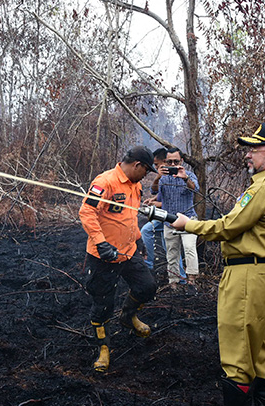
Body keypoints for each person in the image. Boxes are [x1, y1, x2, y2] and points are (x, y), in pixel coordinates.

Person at [171, 123, 265, 406]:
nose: (249, 155)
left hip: (248, 275)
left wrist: (189, 224)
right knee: (259, 341)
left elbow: (227, 226)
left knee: (237, 339)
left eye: (254, 150)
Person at [78, 146, 158, 373]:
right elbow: (86, 212)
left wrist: (139, 239)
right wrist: (101, 243)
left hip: (128, 251)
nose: (146, 175)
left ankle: (128, 316)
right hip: (102, 256)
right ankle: (103, 348)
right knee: (103, 305)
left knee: (148, 286)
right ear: (137, 165)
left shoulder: (137, 186)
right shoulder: (105, 181)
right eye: (146, 170)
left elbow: (129, 217)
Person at [140, 147, 186, 284]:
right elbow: (157, 194)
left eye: (156, 164)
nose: (155, 167)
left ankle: (179, 277)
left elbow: (172, 202)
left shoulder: (176, 176)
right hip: (165, 215)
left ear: (164, 162)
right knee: (153, 235)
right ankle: (152, 267)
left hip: (174, 216)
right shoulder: (163, 177)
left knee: (169, 245)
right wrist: (153, 201)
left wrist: (156, 205)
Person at [156, 147, 200, 287]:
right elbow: (154, 191)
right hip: (169, 221)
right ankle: (173, 283)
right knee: (172, 253)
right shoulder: (163, 179)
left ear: (181, 161)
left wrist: (184, 177)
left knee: (189, 248)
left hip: (188, 219)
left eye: (176, 161)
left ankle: (192, 281)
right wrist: (157, 177)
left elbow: (195, 189)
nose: (173, 165)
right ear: (165, 162)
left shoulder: (189, 175)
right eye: (170, 162)